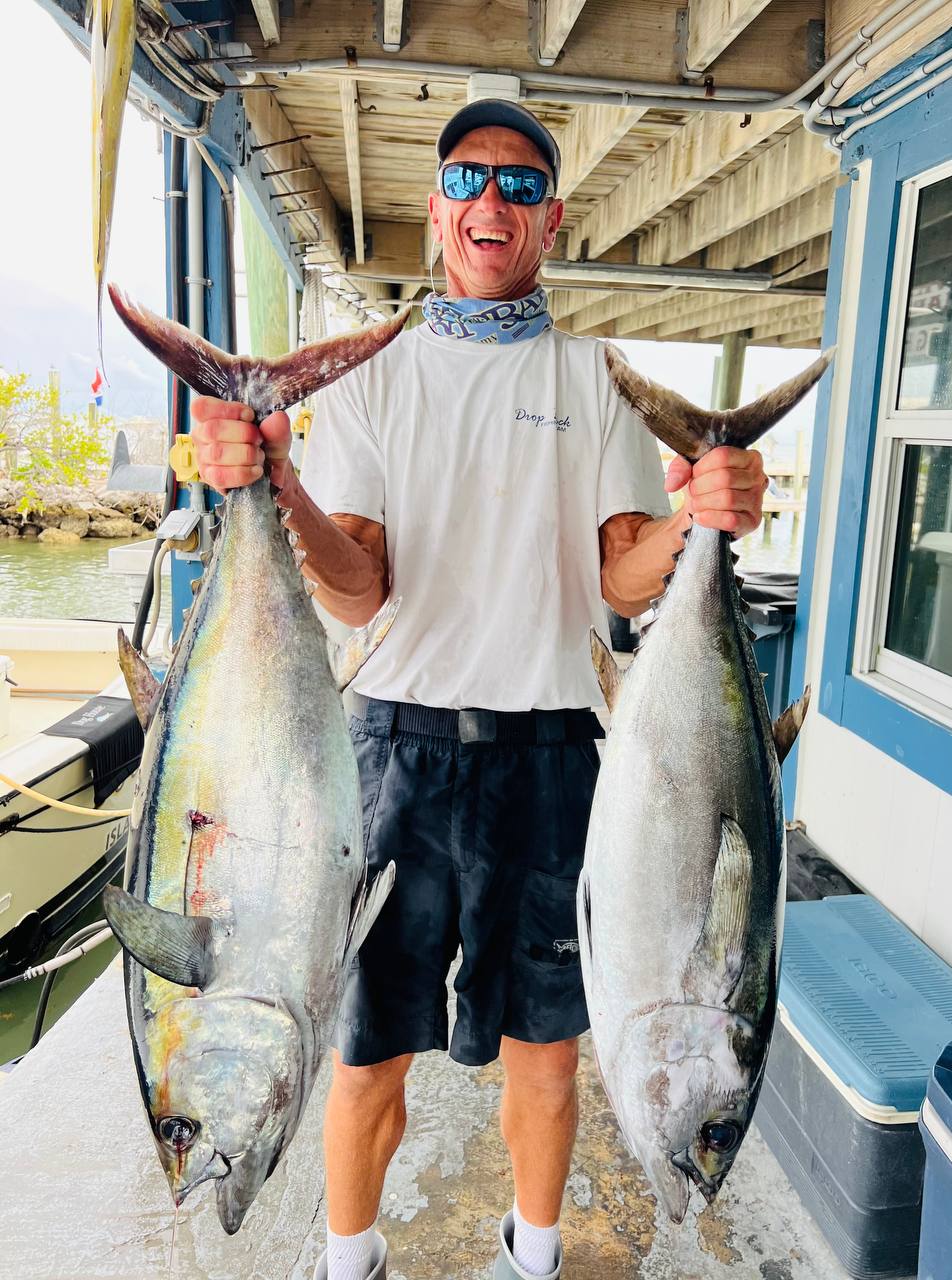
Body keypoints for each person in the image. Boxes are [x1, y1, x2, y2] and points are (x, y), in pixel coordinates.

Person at [191, 100, 767, 1280]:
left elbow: (619, 568)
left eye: (515, 184)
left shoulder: (594, 376)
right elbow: (357, 592)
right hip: (391, 747)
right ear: (437, 206)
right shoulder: (367, 374)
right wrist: (283, 488)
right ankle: (352, 1261)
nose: (488, 203)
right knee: (361, 1050)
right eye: (465, 180)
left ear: (551, 217)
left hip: (555, 753)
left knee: (546, 1051)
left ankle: (532, 1256)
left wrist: (695, 522)